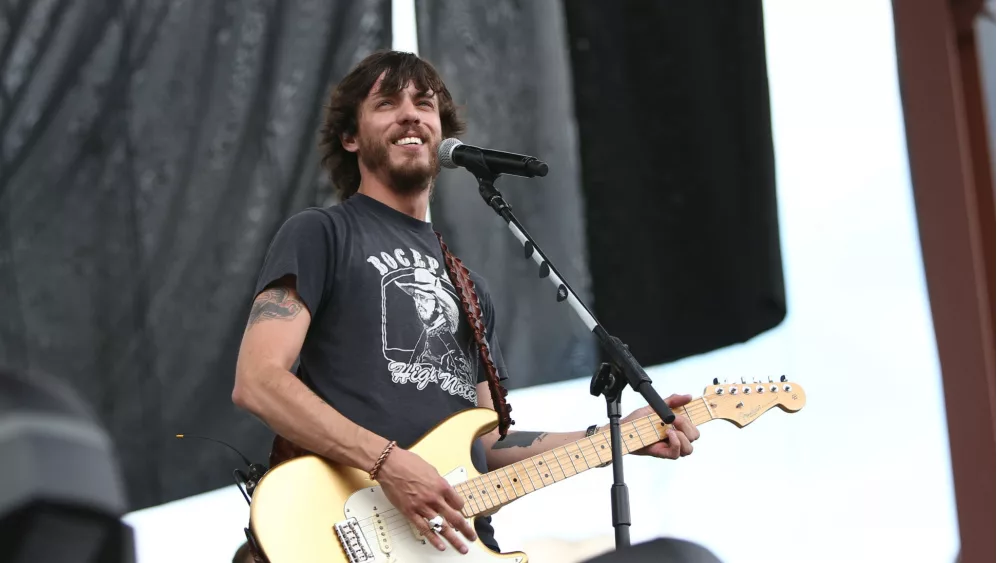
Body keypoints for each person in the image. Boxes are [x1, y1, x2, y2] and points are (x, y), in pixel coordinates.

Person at [231, 50, 700, 556]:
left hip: (451, 545)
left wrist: (613, 438)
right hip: (344, 527)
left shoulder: (471, 291)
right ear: (350, 138)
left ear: (440, 131)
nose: (411, 114)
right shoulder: (322, 234)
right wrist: (387, 462)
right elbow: (258, 382)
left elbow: (488, 448)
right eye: (386, 103)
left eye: (424, 103)